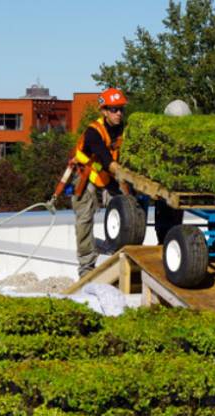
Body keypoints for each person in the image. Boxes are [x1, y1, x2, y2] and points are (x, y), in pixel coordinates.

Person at [58, 87, 127, 278]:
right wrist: (126, 176)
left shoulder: (124, 129)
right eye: (114, 109)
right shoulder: (93, 132)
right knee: (85, 217)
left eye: (121, 109)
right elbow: (106, 159)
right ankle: (86, 267)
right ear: (104, 111)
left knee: (127, 208)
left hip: (105, 175)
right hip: (85, 174)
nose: (119, 113)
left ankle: (119, 252)